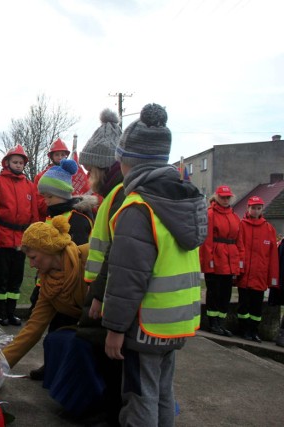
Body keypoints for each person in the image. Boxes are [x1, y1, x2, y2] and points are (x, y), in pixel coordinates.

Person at [102, 103, 206, 427]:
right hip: (176, 322)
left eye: (120, 159)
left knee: (139, 397)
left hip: (144, 326)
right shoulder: (186, 201)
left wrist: (115, 329)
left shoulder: (138, 208)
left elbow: (127, 278)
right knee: (162, 394)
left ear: (127, 162)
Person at [74, 108, 125, 426]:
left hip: (110, 292)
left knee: (112, 358)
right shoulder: (110, 194)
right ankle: (102, 404)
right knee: (98, 350)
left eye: (91, 168)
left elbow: (116, 253)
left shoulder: (119, 195)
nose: (88, 175)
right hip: (104, 288)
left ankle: (112, 411)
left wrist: (99, 295)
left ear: (104, 167)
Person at [27, 158, 95, 380]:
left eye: (48, 196)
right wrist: (40, 285)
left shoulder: (77, 219)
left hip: (71, 288)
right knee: (52, 330)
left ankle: (60, 372)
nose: (45, 201)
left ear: (62, 194)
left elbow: (71, 260)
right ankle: (50, 366)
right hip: (50, 282)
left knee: (63, 329)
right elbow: (46, 257)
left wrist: (50, 288)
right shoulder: (53, 217)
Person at [2, 216, 89, 367]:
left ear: (48, 249)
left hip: (115, 329)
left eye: (33, 257)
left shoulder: (88, 255)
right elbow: (33, 328)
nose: (31, 264)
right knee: (57, 340)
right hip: (88, 330)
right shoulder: (48, 286)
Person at [0, 145, 39, 326]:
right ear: (7, 163)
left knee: (17, 278)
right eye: (15, 162)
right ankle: (0, 312)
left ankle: (11, 312)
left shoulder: (30, 186)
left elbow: (34, 215)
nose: (18, 165)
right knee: (2, 277)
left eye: (21, 163)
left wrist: (33, 238)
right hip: (2, 238)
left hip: (21, 239)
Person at [200, 185, 244, 336]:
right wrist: (209, 262)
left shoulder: (234, 216)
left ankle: (220, 323)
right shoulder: (210, 214)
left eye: (227, 197)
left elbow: (239, 241)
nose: (225, 200)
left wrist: (239, 262)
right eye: (223, 197)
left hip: (229, 259)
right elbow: (207, 241)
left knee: (225, 294)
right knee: (214, 293)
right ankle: (213, 323)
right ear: (217, 197)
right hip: (217, 258)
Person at [236, 196, 279, 342]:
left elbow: (273, 256)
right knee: (244, 305)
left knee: (256, 308)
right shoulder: (241, 226)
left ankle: (254, 330)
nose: (255, 210)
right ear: (248, 208)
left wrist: (273, 278)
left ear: (262, 209)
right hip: (245, 275)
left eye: (258, 208)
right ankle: (244, 330)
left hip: (260, 277)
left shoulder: (269, 229)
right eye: (253, 208)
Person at [34, 138, 71, 221]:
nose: (60, 157)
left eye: (62, 155)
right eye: (57, 155)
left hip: (70, 217)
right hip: (49, 218)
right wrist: (57, 208)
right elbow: (39, 201)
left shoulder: (72, 175)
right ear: (51, 157)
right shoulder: (41, 176)